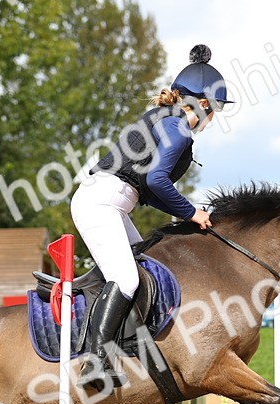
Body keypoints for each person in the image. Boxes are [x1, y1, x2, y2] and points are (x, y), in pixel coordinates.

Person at [70, 44, 233, 385]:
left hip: (113, 201)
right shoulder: (177, 127)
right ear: (205, 105)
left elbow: (149, 185)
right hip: (101, 202)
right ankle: (95, 361)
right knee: (128, 279)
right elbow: (157, 179)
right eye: (215, 111)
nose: (213, 120)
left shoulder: (165, 120)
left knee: (147, 268)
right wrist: (191, 213)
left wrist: (186, 216)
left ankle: (132, 345)